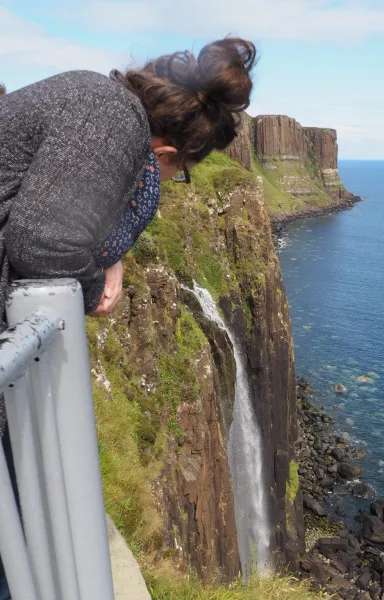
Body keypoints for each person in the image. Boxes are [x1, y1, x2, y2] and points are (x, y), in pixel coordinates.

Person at [0, 37, 256, 599]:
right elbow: (42, 243)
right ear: (167, 153)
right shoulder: (108, 115)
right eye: (182, 171)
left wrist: (109, 255)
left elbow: (65, 202)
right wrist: (90, 288)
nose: (171, 182)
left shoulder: (104, 107)